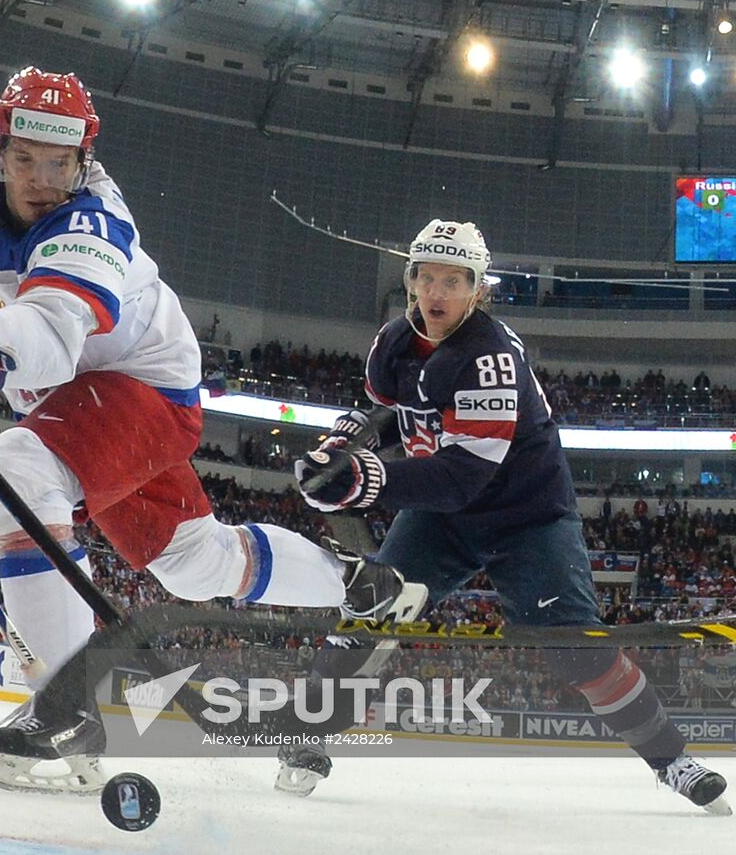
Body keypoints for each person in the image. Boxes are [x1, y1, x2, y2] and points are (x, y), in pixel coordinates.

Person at [0, 68, 425, 793]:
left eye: (61, 163)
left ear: (85, 161)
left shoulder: (94, 224)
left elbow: (50, 335)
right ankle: (357, 583)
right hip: (82, 402)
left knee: (18, 471)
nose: (41, 180)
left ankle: (67, 703)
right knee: (192, 560)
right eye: (25, 159)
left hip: (143, 391)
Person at [286, 218, 729, 814]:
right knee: (369, 612)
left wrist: (365, 480)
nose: (437, 293)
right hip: (444, 514)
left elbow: (462, 476)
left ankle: (671, 760)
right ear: (411, 280)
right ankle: (305, 736)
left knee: (578, 648)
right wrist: (345, 443)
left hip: (526, 518)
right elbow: (391, 409)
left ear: (477, 291)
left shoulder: (488, 356)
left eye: (454, 281)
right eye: (427, 278)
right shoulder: (394, 339)